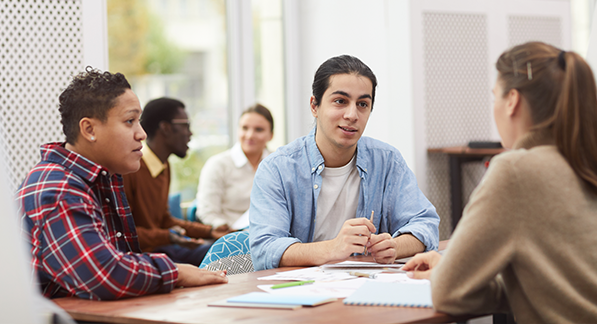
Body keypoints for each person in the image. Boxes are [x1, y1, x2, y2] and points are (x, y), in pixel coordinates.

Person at [403, 42, 597, 322]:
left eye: (495, 96)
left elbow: (446, 292)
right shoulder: (584, 160)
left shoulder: (516, 170)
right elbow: (569, 280)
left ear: (512, 101)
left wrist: (447, 275)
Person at [16, 69, 227, 300]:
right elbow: (104, 275)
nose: (142, 134)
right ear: (89, 130)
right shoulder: (57, 189)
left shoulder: (102, 178)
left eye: (139, 121)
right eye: (129, 121)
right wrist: (176, 272)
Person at [250, 55, 440, 271]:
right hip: (300, 293)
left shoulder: (387, 161)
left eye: (362, 104)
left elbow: (426, 224)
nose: (352, 115)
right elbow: (265, 249)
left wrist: (395, 246)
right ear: (315, 106)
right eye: (340, 101)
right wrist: (333, 249)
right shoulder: (277, 169)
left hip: (367, 288)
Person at [123, 97, 230, 266]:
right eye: (185, 125)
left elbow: (164, 219)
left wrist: (210, 231)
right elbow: (124, 233)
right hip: (144, 257)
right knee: (221, 255)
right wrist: (168, 236)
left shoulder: (163, 165)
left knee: (227, 249)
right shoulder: (130, 169)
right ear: (165, 128)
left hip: (165, 248)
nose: (190, 133)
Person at [197, 103, 274, 229]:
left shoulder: (278, 163)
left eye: (258, 130)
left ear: (271, 135)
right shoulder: (218, 165)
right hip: (229, 236)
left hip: (269, 236)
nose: (249, 135)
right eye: (244, 128)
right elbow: (207, 212)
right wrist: (223, 227)